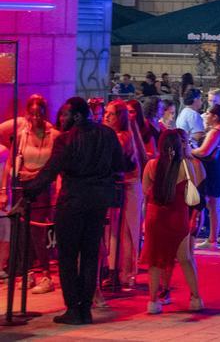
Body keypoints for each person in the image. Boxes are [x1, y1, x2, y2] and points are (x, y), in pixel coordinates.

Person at [23, 97, 130, 325]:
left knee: (68, 257)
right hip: (98, 202)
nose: (61, 119)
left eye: (65, 114)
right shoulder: (107, 135)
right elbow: (120, 166)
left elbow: (50, 171)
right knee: (91, 255)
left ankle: (73, 308)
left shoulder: (66, 140)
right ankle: (85, 309)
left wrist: (28, 191)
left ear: (78, 115)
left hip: (72, 201)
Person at [142, 129, 205, 314]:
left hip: (155, 216)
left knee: (155, 261)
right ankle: (195, 298)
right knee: (185, 258)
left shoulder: (152, 165)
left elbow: (146, 190)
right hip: (178, 215)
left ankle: (153, 301)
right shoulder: (186, 165)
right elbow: (192, 191)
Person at [3, 94, 59, 293]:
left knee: (37, 230)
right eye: (32, 112)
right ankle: (28, 273)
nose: (35, 117)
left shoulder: (54, 135)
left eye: (39, 112)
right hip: (22, 185)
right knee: (22, 230)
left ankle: (45, 273)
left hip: (42, 187)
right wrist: (4, 189)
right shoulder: (22, 134)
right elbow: (10, 162)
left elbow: (56, 164)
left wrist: (42, 177)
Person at [104, 100, 145, 289]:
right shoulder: (111, 134)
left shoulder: (124, 136)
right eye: (105, 113)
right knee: (112, 230)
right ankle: (112, 270)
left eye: (110, 114)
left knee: (128, 230)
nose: (106, 117)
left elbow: (116, 157)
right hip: (115, 186)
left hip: (129, 185)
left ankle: (127, 272)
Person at [192, 104, 220, 250]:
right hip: (218, 169)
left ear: (215, 116)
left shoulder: (216, 131)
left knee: (212, 205)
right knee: (214, 206)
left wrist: (189, 150)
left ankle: (211, 239)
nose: (205, 115)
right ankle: (212, 239)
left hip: (213, 171)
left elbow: (204, 152)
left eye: (208, 113)